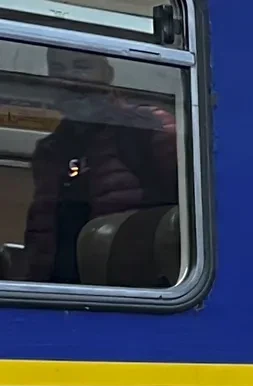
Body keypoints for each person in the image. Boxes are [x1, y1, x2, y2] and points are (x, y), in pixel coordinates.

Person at [20, 49, 179, 285]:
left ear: (107, 74)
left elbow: (190, 209)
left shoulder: (146, 126)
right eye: (58, 69)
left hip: (130, 289)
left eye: (81, 66)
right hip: (59, 289)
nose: (69, 78)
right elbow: (40, 234)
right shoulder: (49, 150)